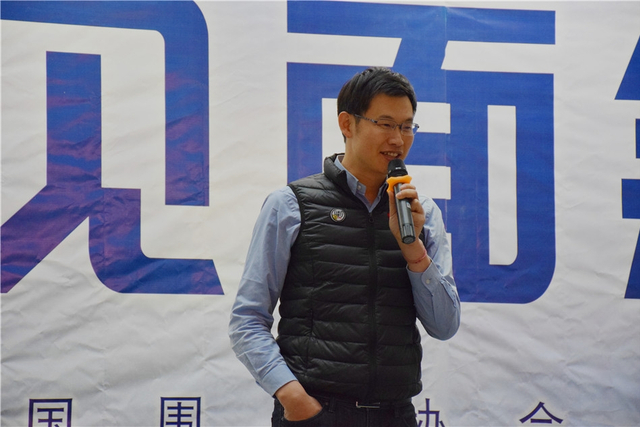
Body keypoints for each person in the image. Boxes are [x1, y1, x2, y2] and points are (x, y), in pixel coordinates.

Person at [229, 67, 460, 427]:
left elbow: (445, 326)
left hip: (395, 414)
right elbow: (247, 318)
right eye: (385, 124)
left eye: (406, 126)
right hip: (316, 412)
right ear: (347, 124)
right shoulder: (291, 204)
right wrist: (292, 396)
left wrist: (413, 250)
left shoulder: (423, 213)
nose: (398, 140)